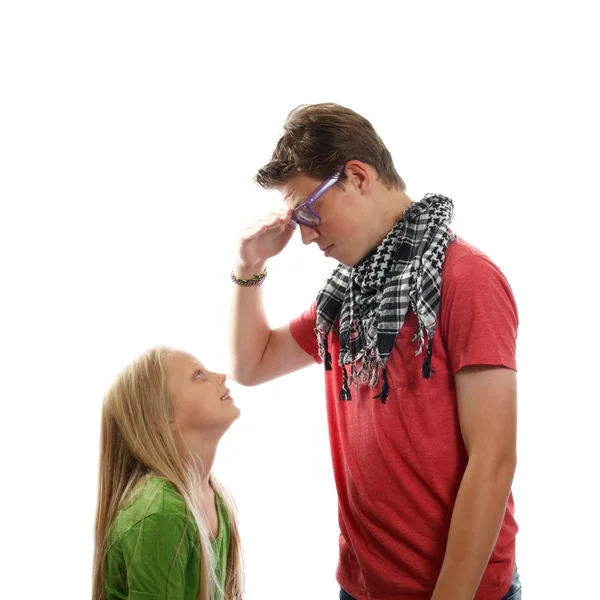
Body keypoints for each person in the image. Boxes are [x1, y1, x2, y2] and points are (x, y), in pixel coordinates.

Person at [229, 103, 521, 599]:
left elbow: (493, 458)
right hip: (363, 586)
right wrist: (248, 262)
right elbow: (251, 365)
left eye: (308, 211)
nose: (303, 236)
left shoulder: (466, 278)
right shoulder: (347, 294)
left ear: (358, 177)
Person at [92, 346, 244, 600]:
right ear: (161, 417)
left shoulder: (215, 498)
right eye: (198, 375)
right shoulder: (161, 511)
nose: (221, 376)